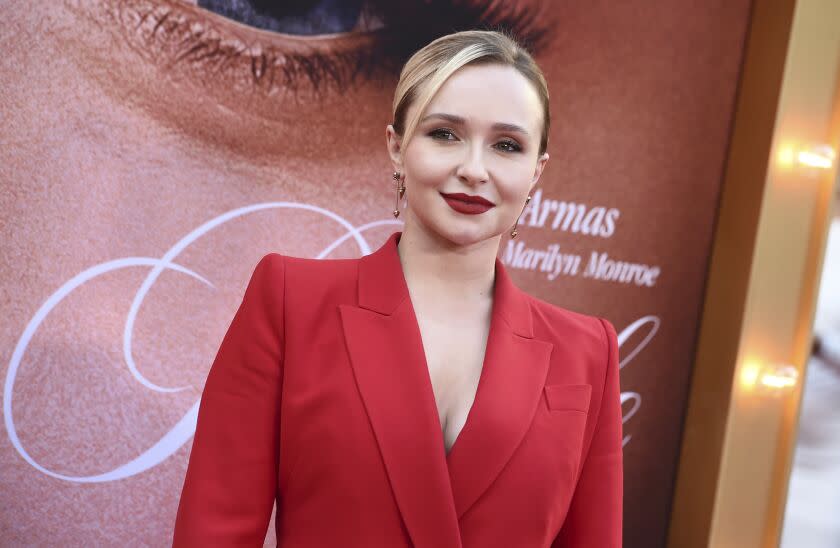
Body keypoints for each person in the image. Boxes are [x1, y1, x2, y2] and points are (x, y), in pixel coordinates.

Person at [172, 29, 623, 547]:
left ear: (536, 171)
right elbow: (213, 532)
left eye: (506, 145)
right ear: (396, 146)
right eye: (445, 134)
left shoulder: (588, 352)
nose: (473, 169)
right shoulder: (290, 302)